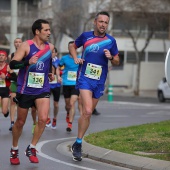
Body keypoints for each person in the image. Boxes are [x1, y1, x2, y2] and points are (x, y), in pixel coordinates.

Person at [68, 11, 120, 161]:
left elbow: (117, 60)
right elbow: (73, 45)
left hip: (99, 80)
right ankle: (78, 144)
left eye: (106, 22)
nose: (103, 25)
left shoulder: (111, 41)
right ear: (95, 22)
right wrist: (76, 57)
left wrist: (111, 58)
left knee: (87, 114)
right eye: (101, 21)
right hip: (84, 77)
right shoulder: (86, 36)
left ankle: (77, 143)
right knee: (88, 109)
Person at [9, 19, 54, 165]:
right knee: (20, 122)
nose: (49, 32)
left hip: (42, 88)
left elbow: (48, 63)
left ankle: (32, 147)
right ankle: (14, 149)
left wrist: (49, 73)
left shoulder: (50, 47)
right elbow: (13, 63)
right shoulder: (26, 45)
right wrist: (27, 62)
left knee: (42, 119)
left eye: (49, 30)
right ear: (37, 31)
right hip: (25, 88)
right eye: (46, 30)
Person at [59, 42, 82, 132]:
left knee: (72, 103)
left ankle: (70, 123)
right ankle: (68, 112)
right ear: (69, 48)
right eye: (70, 47)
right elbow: (59, 67)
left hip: (76, 84)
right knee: (68, 104)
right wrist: (59, 76)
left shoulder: (80, 58)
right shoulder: (64, 58)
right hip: (66, 83)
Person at [8, 38, 22, 131]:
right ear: (14, 44)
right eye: (16, 42)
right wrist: (12, 72)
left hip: (23, 80)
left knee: (21, 103)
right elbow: (9, 68)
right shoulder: (11, 55)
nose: (17, 44)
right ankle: (12, 122)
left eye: (19, 42)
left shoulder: (26, 54)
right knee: (13, 101)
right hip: (14, 80)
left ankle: (19, 121)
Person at [46, 47, 62, 129]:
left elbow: (59, 69)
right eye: (50, 52)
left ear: (56, 53)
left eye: (53, 52)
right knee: (46, 102)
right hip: (47, 84)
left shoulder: (58, 61)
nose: (51, 54)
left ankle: (54, 118)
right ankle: (48, 118)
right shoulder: (46, 60)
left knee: (55, 104)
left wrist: (59, 76)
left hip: (56, 85)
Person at [0, 50, 11, 118]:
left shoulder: (8, 67)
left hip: (5, 89)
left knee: (4, 111)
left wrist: (6, 77)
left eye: (3, 55)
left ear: (6, 58)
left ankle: (6, 110)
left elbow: (14, 77)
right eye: (0, 55)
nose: (1, 57)